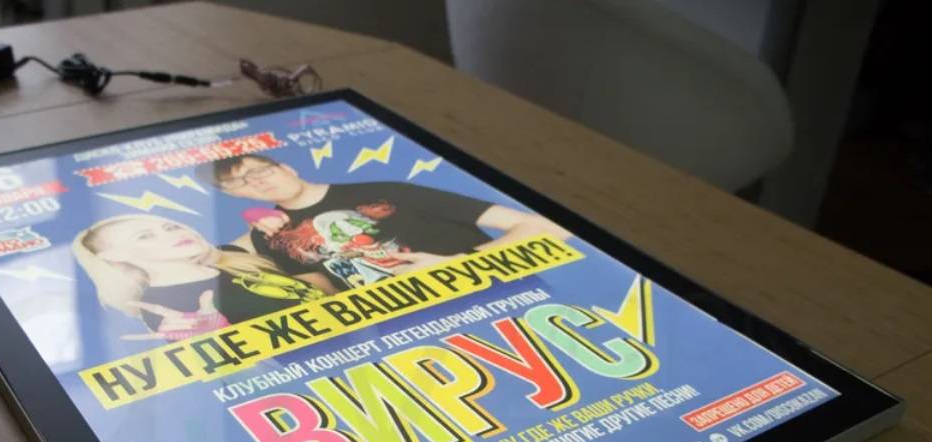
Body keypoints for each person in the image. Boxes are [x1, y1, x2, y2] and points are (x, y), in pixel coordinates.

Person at [201, 152, 572, 292]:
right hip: (411, 348)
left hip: (502, 306)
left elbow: (549, 229)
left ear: (286, 167)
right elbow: (323, 299)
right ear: (234, 195)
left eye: (259, 170)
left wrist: (459, 265)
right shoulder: (268, 237)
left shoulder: (387, 191)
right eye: (240, 183)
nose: (256, 182)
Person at [71, 214, 324, 342]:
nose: (173, 234)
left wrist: (263, 218)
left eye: (169, 227)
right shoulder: (170, 310)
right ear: (114, 256)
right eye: (145, 236)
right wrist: (220, 340)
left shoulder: (230, 257)